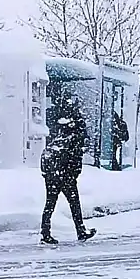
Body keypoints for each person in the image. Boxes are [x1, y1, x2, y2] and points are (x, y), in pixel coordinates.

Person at [40, 97, 96, 244]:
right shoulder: (74, 136)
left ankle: (45, 232)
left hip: (53, 174)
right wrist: (72, 173)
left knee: (50, 203)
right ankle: (80, 230)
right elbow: (74, 158)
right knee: (74, 203)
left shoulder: (61, 133)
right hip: (65, 176)